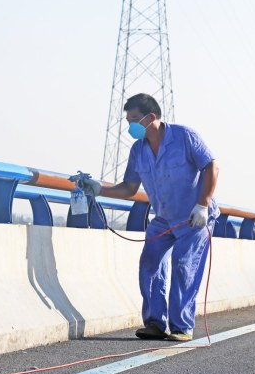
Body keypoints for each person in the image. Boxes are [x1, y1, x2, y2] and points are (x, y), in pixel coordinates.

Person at [82, 93, 219, 342]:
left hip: (193, 217)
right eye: (127, 121)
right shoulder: (138, 150)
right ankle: (155, 323)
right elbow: (129, 188)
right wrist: (100, 189)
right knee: (149, 264)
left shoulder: (184, 137)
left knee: (183, 265)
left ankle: (181, 327)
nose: (130, 126)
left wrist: (203, 204)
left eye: (134, 120)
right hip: (164, 218)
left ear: (151, 117)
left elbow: (211, 166)